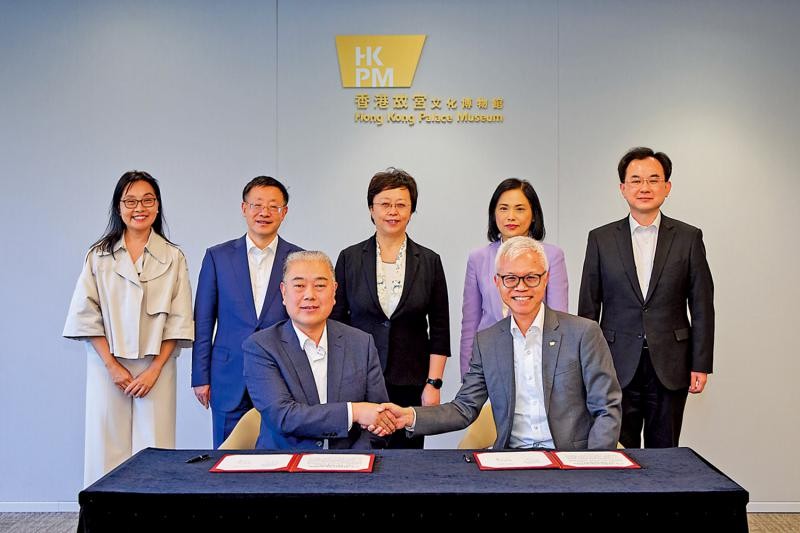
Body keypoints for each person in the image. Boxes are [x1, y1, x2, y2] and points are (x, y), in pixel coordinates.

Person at [382, 237, 621, 450]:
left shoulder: (583, 333)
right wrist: (410, 416)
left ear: (545, 279)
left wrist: (592, 464)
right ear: (497, 282)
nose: (521, 287)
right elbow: (464, 408)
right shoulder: (487, 342)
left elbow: (607, 408)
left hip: (569, 460)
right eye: (510, 278)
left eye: (531, 277)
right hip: (512, 458)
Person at [578, 147, 714, 448]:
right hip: (614, 363)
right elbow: (588, 308)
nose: (645, 187)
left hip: (671, 363)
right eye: (636, 180)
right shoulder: (600, 239)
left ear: (667, 187)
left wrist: (701, 363)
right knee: (616, 451)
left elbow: (702, 305)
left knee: (665, 452)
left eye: (654, 180)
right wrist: (585, 366)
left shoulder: (689, 237)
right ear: (623, 188)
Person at [63, 171, 193, 485]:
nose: (139, 208)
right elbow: (86, 314)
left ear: (158, 206)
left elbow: (179, 319)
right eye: (130, 201)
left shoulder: (173, 257)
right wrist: (112, 366)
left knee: (156, 447)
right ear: (118, 207)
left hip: (156, 367)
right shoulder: (98, 255)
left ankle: (153, 509)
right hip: (107, 365)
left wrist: (155, 369)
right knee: (104, 446)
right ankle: (103, 509)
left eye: (148, 200)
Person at [331, 167, 450, 449]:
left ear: (411, 210)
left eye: (401, 205)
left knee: (406, 461)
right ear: (371, 209)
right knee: (359, 457)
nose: (392, 212)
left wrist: (433, 384)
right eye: (385, 204)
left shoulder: (429, 261)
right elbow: (336, 323)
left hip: (410, 383)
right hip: (358, 381)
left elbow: (440, 328)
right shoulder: (349, 258)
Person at [243, 251, 395, 449]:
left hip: (351, 461)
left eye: (320, 286)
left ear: (334, 291)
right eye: (299, 286)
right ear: (284, 292)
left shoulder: (361, 343)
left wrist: (352, 459)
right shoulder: (261, 346)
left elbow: (380, 420)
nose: (310, 295)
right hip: (285, 462)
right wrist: (354, 412)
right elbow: (284, 417)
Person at [192, 176, 302, 448]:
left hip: (281, 376)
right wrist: (200, 376)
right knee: (227, 455)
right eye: (257, 205)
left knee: (279, 454)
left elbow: (305, 320)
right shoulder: (218, 257)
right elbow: (203, 321)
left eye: (273, 206)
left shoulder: (299, 259)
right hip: (229, 375)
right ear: (244, 208)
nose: (264, 212)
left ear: (284, 212)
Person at [460, 178, 569, 378]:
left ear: (533, 215)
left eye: (519, 209)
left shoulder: (551, 255)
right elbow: (470, 324)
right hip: (490, 357)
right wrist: (467, 374)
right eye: (503, 208)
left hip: (537, 356)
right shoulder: (478, 258)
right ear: (494, 214)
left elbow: (559, 319)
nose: (511, 216)